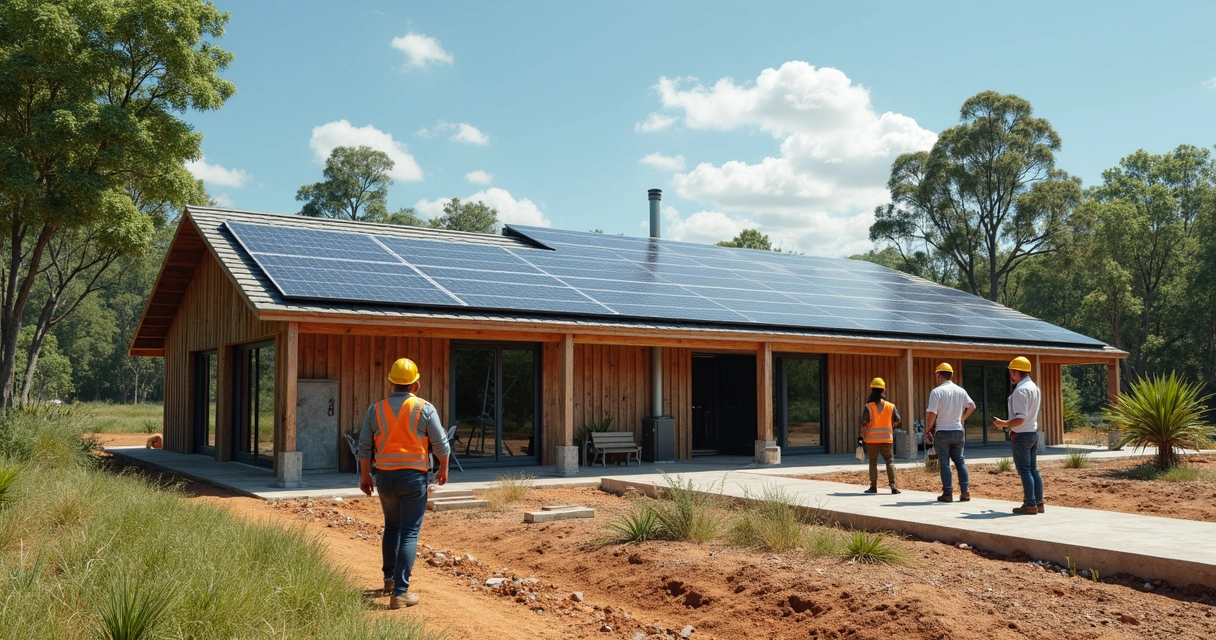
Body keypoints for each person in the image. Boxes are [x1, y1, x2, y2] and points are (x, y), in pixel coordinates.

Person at [358, 357, 450, 609]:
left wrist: (365, 476)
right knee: (409, 531)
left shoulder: (375, 410)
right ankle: (400, 592)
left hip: (384, 477)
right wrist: (444, 467)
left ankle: (389, 580)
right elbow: (441, 444)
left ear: (390, 383)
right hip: (413, 478)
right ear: (416, 385)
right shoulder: (425, 408)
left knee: (392, 527)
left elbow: (364, 446)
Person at [993, 356, 1044, 515]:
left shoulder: (1021, 391)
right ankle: (1038, 502)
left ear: (1015, 372)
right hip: (1032, 433)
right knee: (1033, 470)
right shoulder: (1034, 388)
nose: (1010, 376)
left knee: (1025, 470)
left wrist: (1004, 424)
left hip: (1021, 435)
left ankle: (1030, 504)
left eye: (1011, 372)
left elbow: (1020, 418)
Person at [925, 363, 976, 503]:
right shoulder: (960, 391)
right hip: (958, 431)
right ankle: (965, 491)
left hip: (943, 432)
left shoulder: (936, 392)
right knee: (960, 461)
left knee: (945, 464)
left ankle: (947, 493)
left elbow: (932, 414)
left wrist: (928, 430)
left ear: (938, 375)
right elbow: (972, 406)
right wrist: (962, 419)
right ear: (951, 375)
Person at [860, 377, 901, 495]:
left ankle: (873, 487)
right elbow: (898, 419)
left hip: (872, 439)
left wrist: (862, 436)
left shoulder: (869, 406)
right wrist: (890, 426)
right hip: (886, 439)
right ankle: (893, 486)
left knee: (872, 461)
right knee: (889, 461)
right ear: (884, 391)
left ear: (871, 390)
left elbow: (864, 424)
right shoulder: (890, 406)